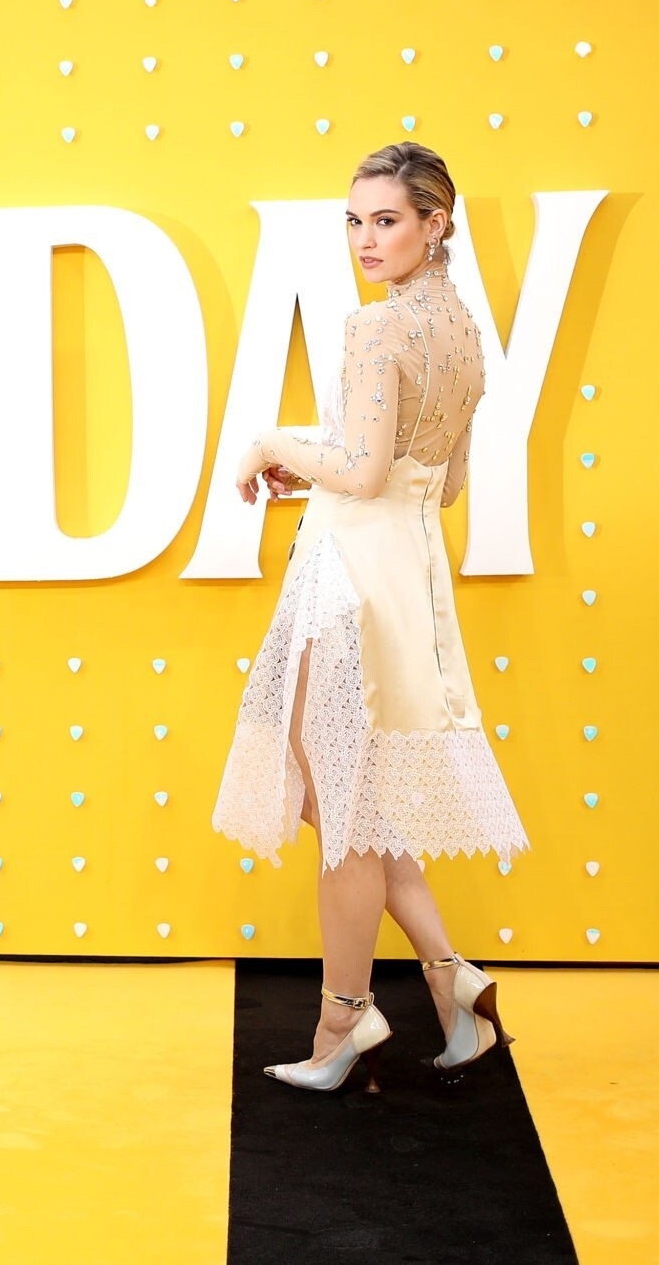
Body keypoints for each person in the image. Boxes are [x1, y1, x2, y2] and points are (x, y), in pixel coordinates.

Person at [211, 141, 532, 1094]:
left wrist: (276, 441)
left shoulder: (374, 330)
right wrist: (317, 457)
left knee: (340, 808)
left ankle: (342, 1020)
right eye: (354, 221)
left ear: (437, 222)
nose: (366, 239)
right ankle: (451, 978)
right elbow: (443, 480)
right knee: (349, 797)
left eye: (386, 219)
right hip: (407, 573)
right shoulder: (466, 331)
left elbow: (357, 472)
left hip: (349, 574)